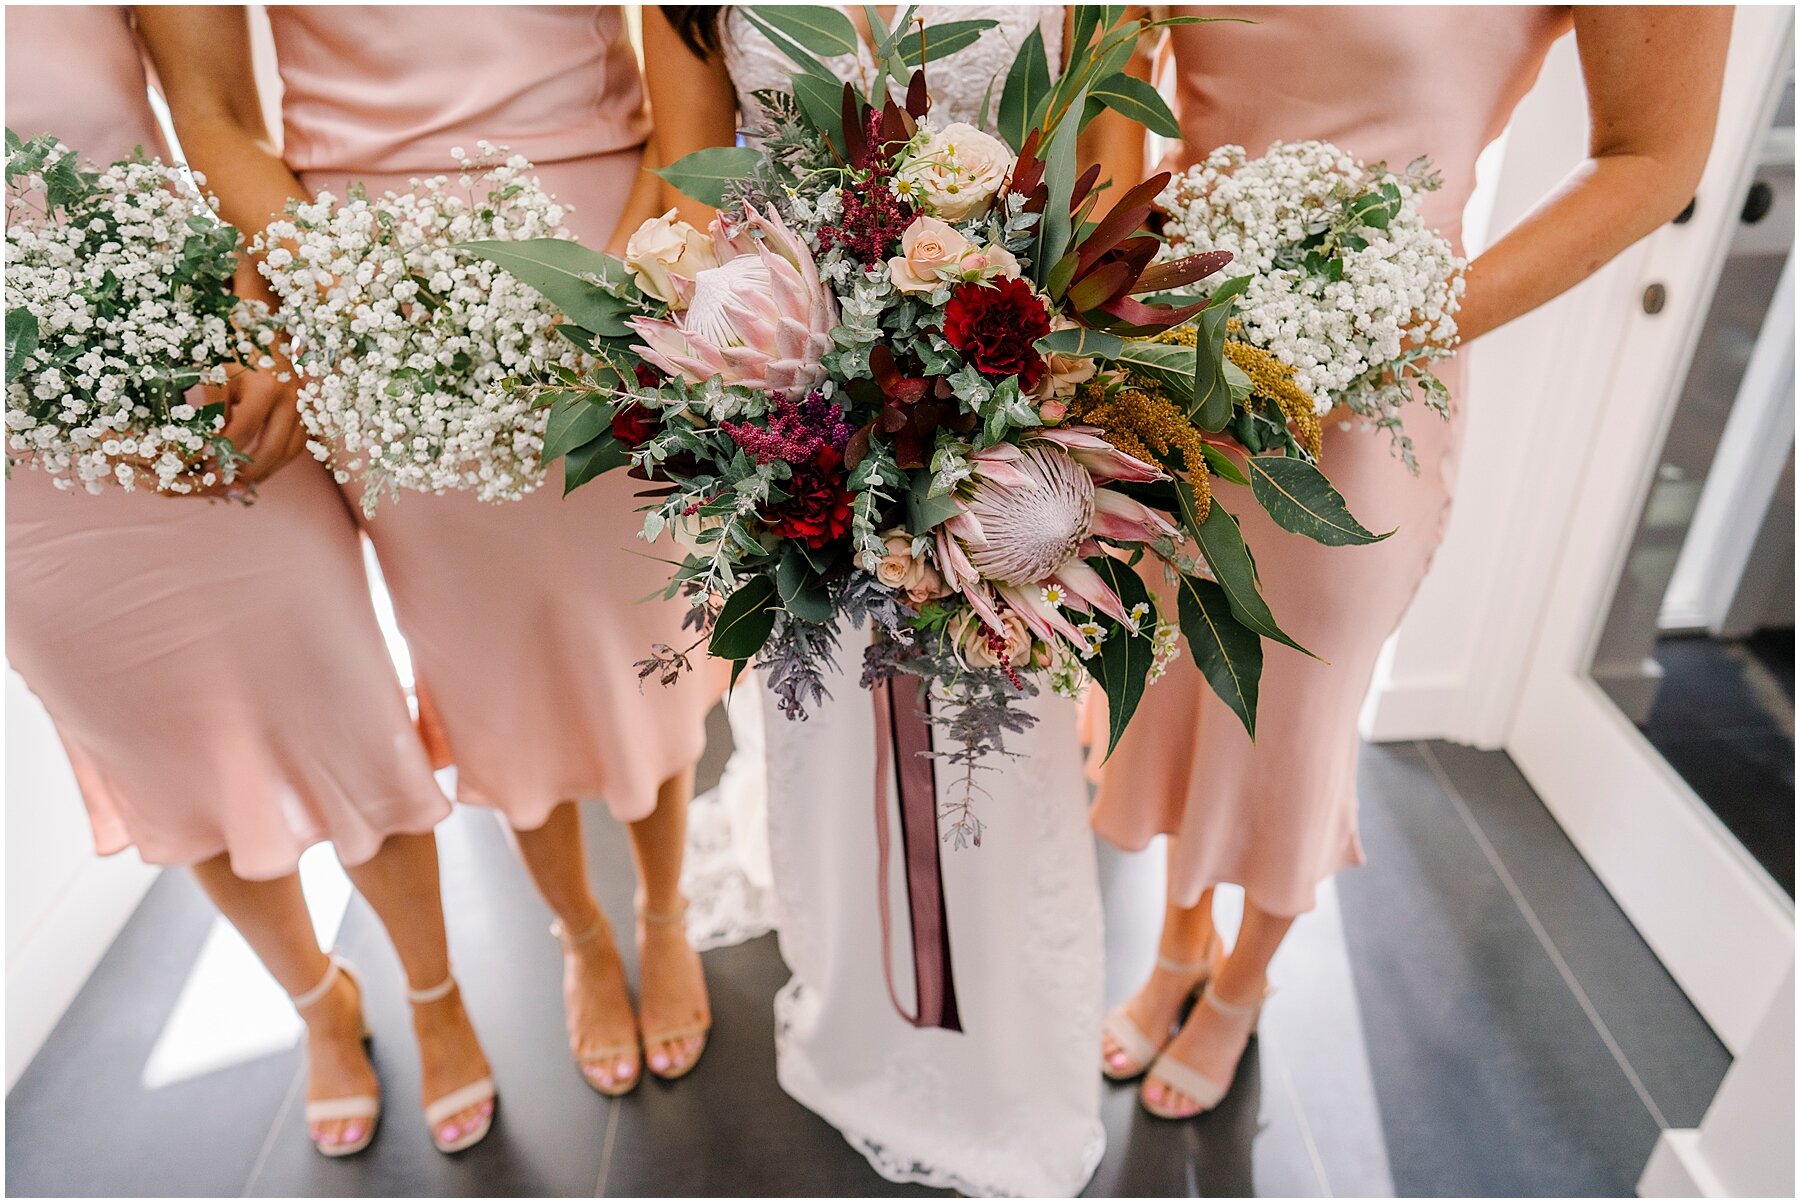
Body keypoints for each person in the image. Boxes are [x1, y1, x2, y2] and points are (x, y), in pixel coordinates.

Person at [1090, 4, 1734, 1120]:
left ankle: (1243, 981)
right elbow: (1116, 77)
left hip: (1369, 385)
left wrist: (1365, 333)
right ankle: (1178, 944)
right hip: (1166, 349)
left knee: (1297, 701)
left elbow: (1656, 158)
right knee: (1169, 673)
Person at [135, 4, 719, 1096]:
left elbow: (683, 45)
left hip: (616, 230)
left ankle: (663, 909)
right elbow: (209, 112)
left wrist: (643, 262)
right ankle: (583, 936)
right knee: (490, 660)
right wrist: (356, 288)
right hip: (367, 282)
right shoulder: (362, 289)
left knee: (642, 626)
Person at [631, 6, 1149, 1195]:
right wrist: (747, 402)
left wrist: (1029, 395)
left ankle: (1006, 1049)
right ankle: (863, 1010)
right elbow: (698, 195)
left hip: (1009, 406)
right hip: (794, 407)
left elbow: (1107, 183)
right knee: (827, 730)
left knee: (994, 750)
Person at [6, 4, 496, 1157]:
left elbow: (218, 119)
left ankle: (436, 996)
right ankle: (319, 1005)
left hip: (209, 382)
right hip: (24, 490)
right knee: (166, 757)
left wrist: (266, 326)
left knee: (340, 709)